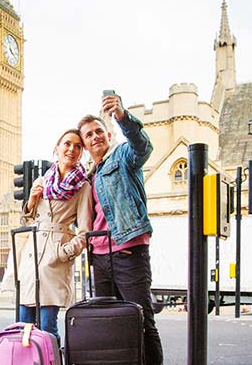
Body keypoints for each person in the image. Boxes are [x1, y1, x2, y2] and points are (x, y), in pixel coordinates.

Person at [77, 92, 163, 365]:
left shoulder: (123, 157)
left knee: (142, 320)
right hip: (99, 259)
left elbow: (142, 146)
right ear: (85, 146)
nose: (95, 137)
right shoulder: (90, 176)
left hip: (128, 253)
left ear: (108, 135)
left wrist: (122, 116)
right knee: (109, 325)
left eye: (99, 131)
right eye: (88, 135)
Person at [3, 128, 93, 342]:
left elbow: (85, 232)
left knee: (47, 328)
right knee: (23, 326)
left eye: (77, 146)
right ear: (57, 148)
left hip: (54, 261)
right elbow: (26, 223)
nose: (71, 149)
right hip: (30, 257)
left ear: (81, 153)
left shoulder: (83, 187)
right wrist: (31, 203)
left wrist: (62, 253)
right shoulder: (42, 181)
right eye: (67, 144)